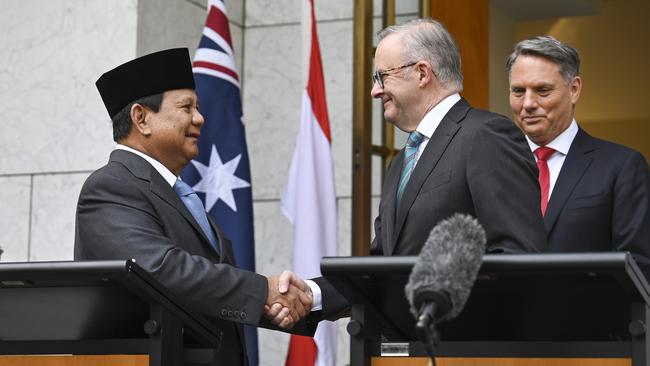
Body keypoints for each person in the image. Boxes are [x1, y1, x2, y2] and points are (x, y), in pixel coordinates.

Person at [269, 18, 548, 321]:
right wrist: (312, 294)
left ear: (422, 73)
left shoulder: (486, 136)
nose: (375, 91)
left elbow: (517, 259)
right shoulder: (402, 161)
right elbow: (382, 269)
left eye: (381, 77)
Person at [74, 48, 316, 365]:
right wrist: (263, 291)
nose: (200, 119)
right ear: (141, 118)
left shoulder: (179, 194)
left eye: (197, 107)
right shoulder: (111, 187)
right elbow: (159, 270)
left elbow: (208, 292)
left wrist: (297, 300)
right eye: (187, 107)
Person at [507, 36, 650, 275]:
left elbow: (638, 268)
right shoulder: (495, 167)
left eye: (542, 90)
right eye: (518, 91)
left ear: (574, 89)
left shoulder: (622, 167)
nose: (528, 103)